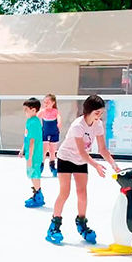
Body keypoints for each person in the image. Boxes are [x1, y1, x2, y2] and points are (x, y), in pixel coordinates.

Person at [46, 94, 119, 245]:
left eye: (101, 113)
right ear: (88, 111)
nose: (99, 116)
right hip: (66, 158)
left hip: (80, 161)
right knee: (65, 192)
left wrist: (113, 164)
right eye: (97, 112)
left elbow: (102, 149)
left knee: (82, 193)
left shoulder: (98, 125)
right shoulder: (78, 126)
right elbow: (82, 152)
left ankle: (82, 223)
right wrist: (96, 165)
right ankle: (54, 225)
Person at [18, 98, 45, 207]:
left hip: (34, 154)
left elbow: (33, 141)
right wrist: (23, 149)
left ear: (34, 110)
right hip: (30, 152)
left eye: (26, 110)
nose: (25, 112)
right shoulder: (29, 121)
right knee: (31, 173)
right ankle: (36, 193)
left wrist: (30, 158)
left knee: (34, 174)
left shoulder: (34, 122)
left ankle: (38, 196)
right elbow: (26, 137)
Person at [38, 93, 62, 177]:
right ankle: (40, 167)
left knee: (52, 151)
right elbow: (36, 119)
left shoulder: (55, 111)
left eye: (47, 102)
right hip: (44, 133)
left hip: (54, 133)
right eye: (44, 102)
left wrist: (59, 123)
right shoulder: (42, 111)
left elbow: (59, 117)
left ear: (53, 103)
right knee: (44, 150)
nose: (45, 104)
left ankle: (52, 167)